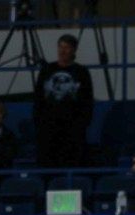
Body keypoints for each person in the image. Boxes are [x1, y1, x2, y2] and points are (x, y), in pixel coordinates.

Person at [33, 34, 94, 168]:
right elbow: (38, 98)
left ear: (74, 50)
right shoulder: (47, 70)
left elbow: (87, 101)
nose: (62, 50)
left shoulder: (81, 72)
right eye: (60, 46)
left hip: (73, 130)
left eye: (66, 47)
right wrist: (39, 122)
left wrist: (81, 124)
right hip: (49, 128)